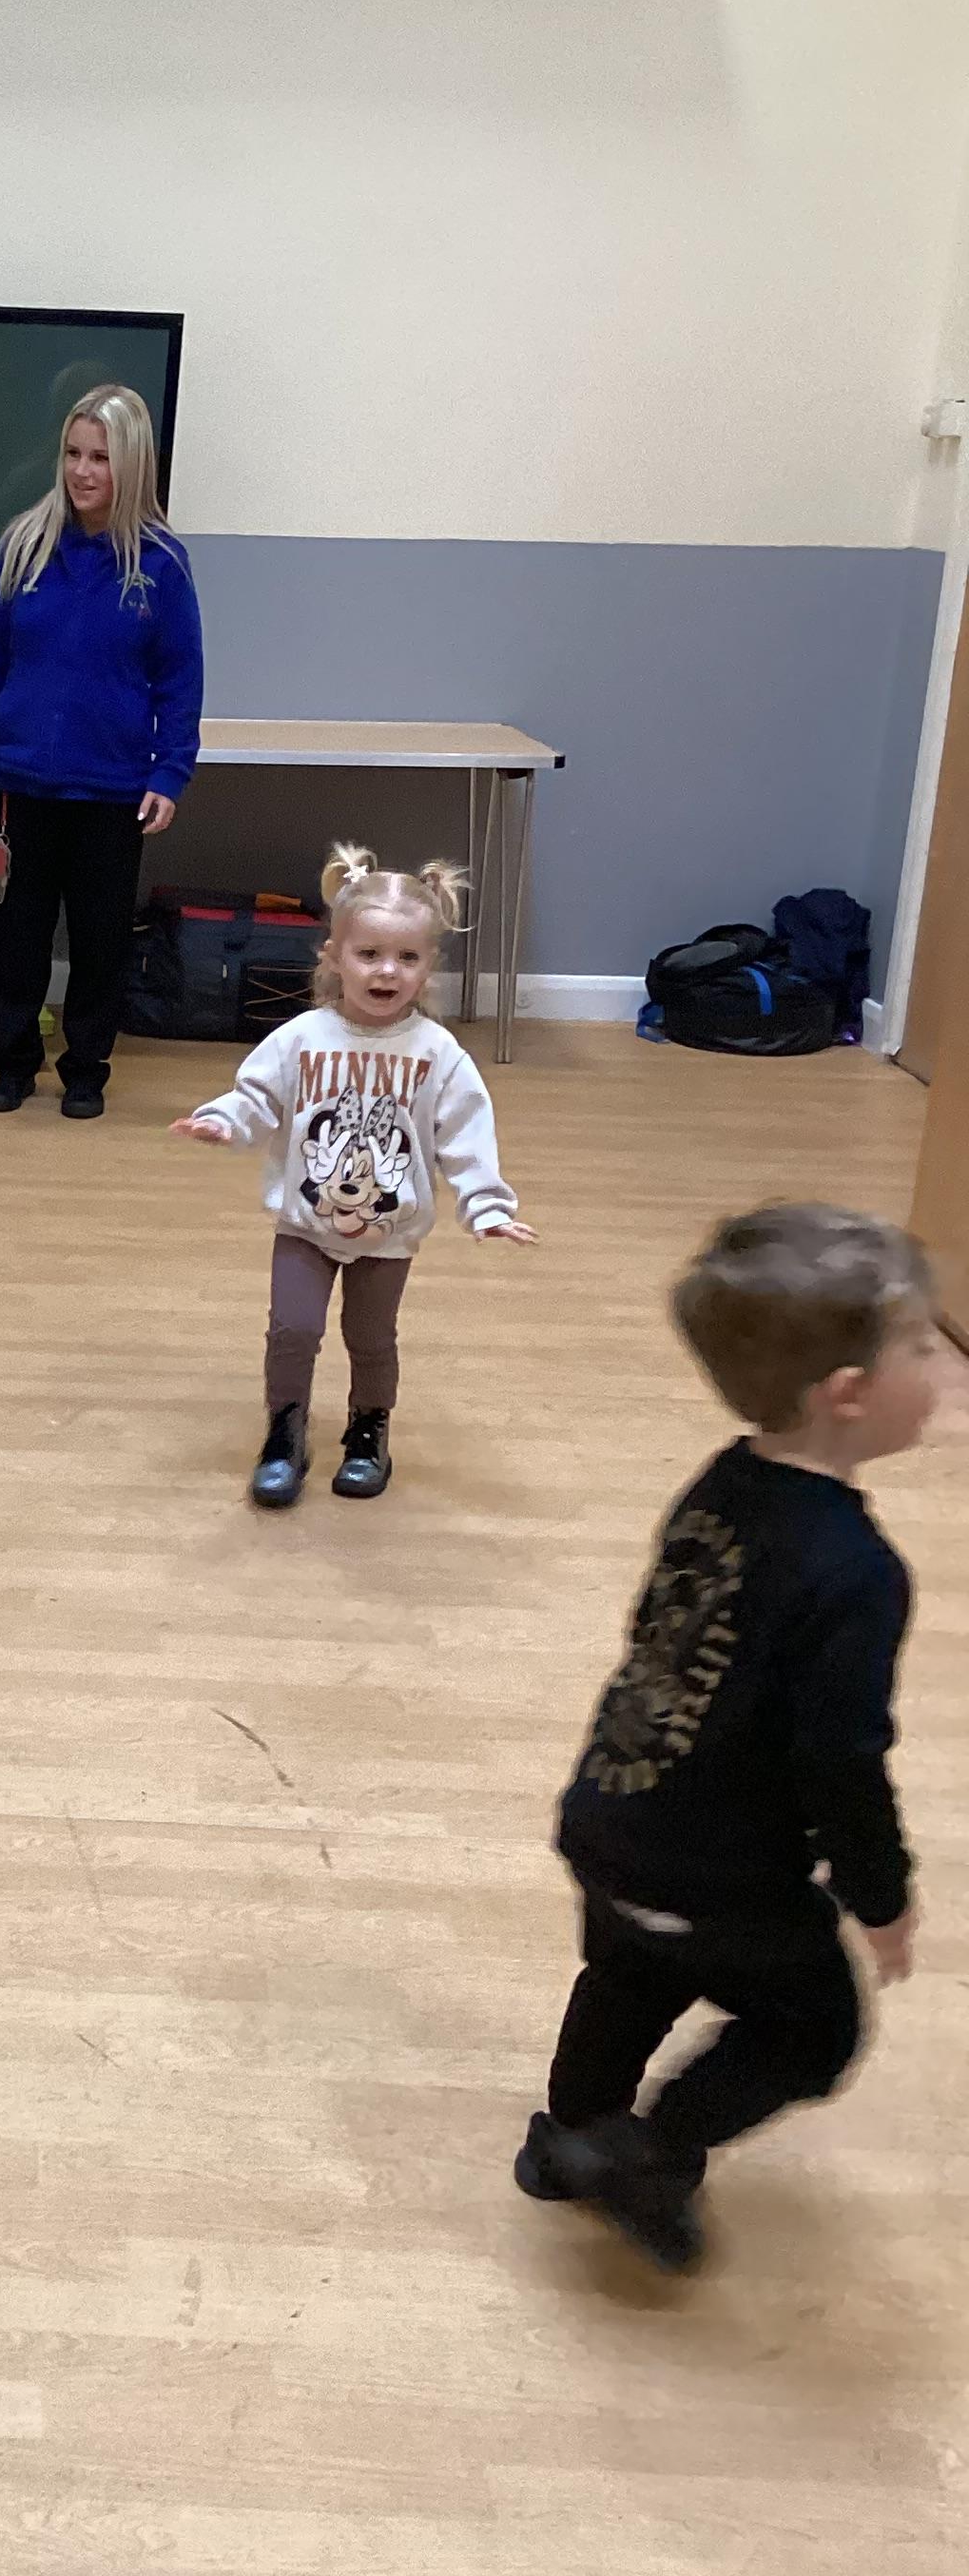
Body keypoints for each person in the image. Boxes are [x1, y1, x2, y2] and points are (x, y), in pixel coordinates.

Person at [522, 1204, 935, 2276]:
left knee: (626, 1974)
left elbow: (657, 1628)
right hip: (720, 1872)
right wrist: (881, 1899)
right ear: (849, 1395)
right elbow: (841, 1759)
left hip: (613, 1811)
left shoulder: (720, 1480)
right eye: (923, 1349)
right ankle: (644, 2154)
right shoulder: (857, 1574)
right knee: (813, 2029)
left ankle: (566, 2135)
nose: (942, 1369)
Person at [175, 844, 536, 1505]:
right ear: (334, 957)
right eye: (369, 954)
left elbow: (466, 1136)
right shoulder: (301, 1038)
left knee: (370, 1339)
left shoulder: (439, 1054)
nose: (387, 970)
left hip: (389, 1233)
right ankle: (284, 1433)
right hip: (305, 1223)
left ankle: (368, 1434)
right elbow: (256, 1097)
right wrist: (224, 1121)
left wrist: (487, 1205)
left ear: (428, 967)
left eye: (407, 957)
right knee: (293, 1331)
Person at [0, 383, 204, 1121]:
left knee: (100, 941)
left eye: (100, 457)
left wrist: (171, 771)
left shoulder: (161, 563)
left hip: (113, 790)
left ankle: (87, 1069)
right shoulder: (23, 546)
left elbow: (180, 679)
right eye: (72, 454)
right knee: (18, 936)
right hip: (21, 781)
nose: (83, 471)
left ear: (132, 464)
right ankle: (13, 1064)